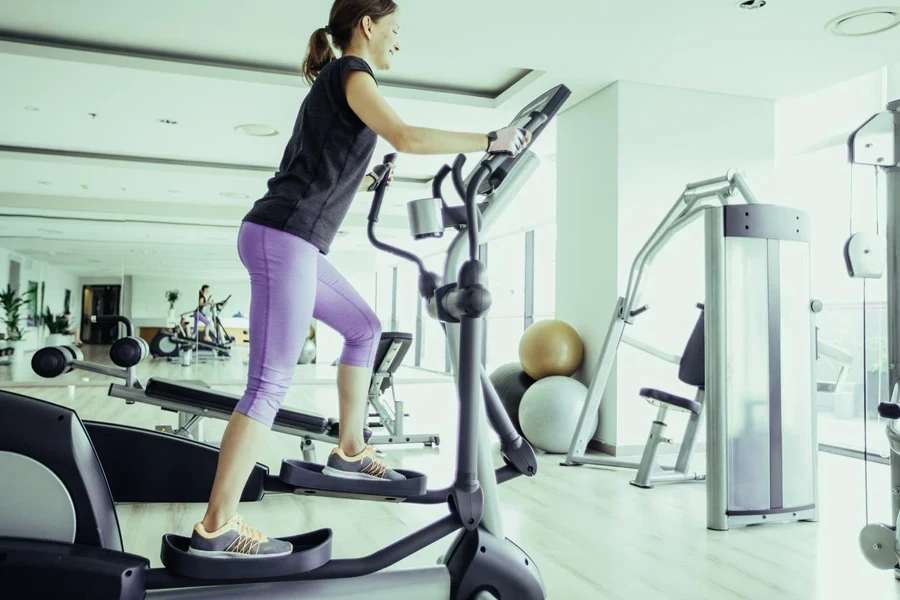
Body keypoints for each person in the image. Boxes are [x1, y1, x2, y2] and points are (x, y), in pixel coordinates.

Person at [188, 0, 530, 559]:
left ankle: (350, 449)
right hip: (285, 236)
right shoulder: (351, 71)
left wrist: (367, 177)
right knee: (268, 385)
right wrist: (490, 138)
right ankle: (216, 526)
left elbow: (321, 158)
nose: (399, 41)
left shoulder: (335, 79)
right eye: (395, 30)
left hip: (292, 237)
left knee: (364, 327)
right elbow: (406, 136)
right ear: (367, 26)